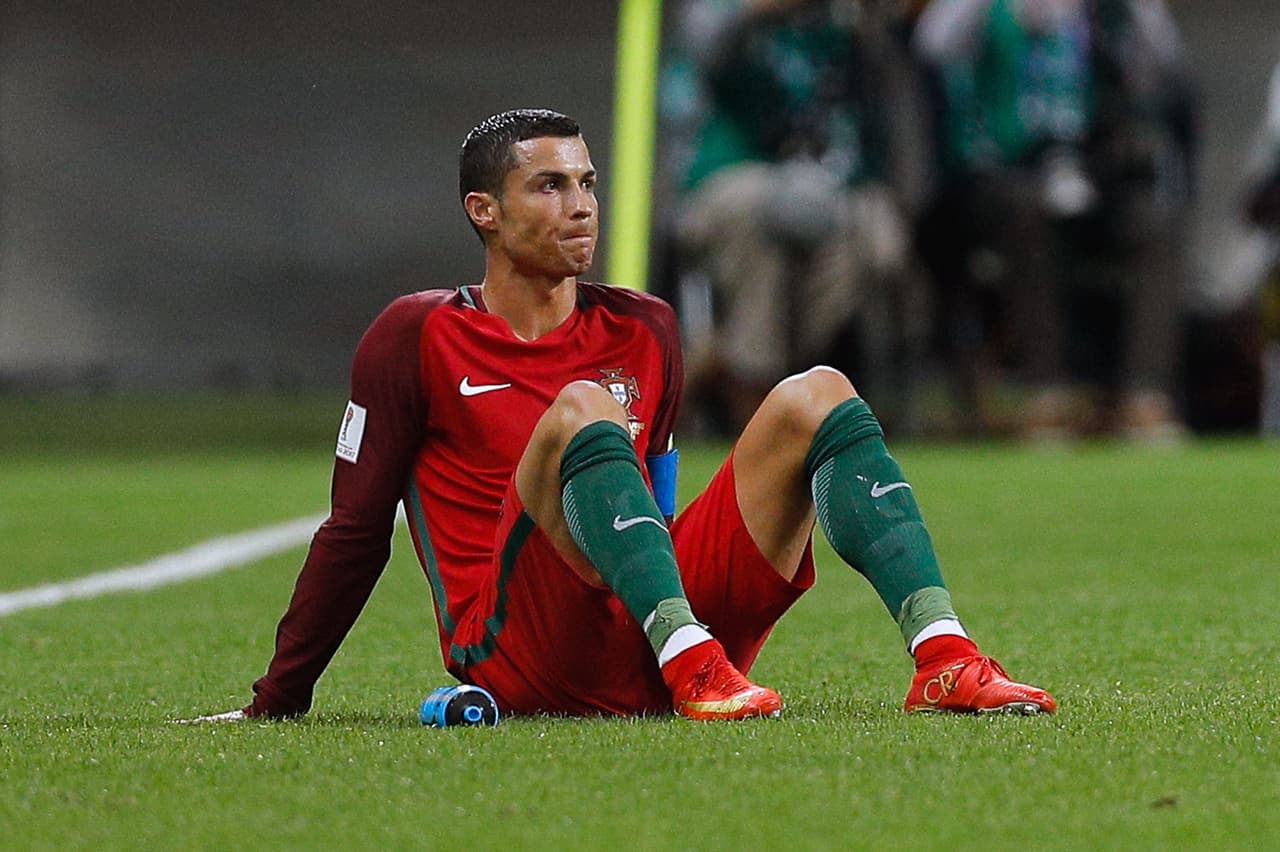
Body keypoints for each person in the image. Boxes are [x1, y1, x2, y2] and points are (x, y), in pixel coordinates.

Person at [189, 109, 1054, 723]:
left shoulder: (645, 325)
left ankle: (943, 658)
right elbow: (353, 532)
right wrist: (279, 700)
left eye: (588, 183)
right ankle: (690, 661)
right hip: (521, 654)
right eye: (550, 185)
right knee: (583, 407)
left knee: (817, 391)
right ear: (482, 213)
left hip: (647, 637)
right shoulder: (415, 335)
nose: (581, 204)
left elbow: (657, 508)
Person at [670, 0, 927, 433]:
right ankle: (749, 397)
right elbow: (703, 45)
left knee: (870, 239)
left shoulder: (842, 20)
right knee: (761, 217)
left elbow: (906, 36)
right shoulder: (721, 12)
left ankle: (733, 359)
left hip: (828, 181)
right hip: (730, 172)